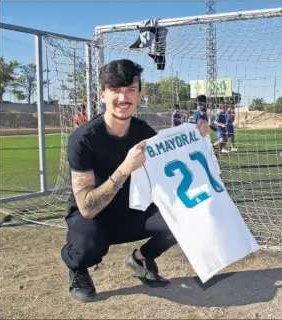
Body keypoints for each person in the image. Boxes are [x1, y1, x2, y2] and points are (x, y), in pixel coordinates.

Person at [61, 59, 212, 302]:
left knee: (187, 214)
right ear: (103, 95)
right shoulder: (83, 139)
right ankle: (77, 268)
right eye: (115, 90)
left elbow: (173, 159)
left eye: (130, 89)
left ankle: (141, 258)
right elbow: (87, 208)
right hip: (93, 215)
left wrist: (197, 135)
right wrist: (124, 169)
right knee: (86, 246)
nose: (123, 97)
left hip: (132, 209)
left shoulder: (144, 133)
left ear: (139, 94)